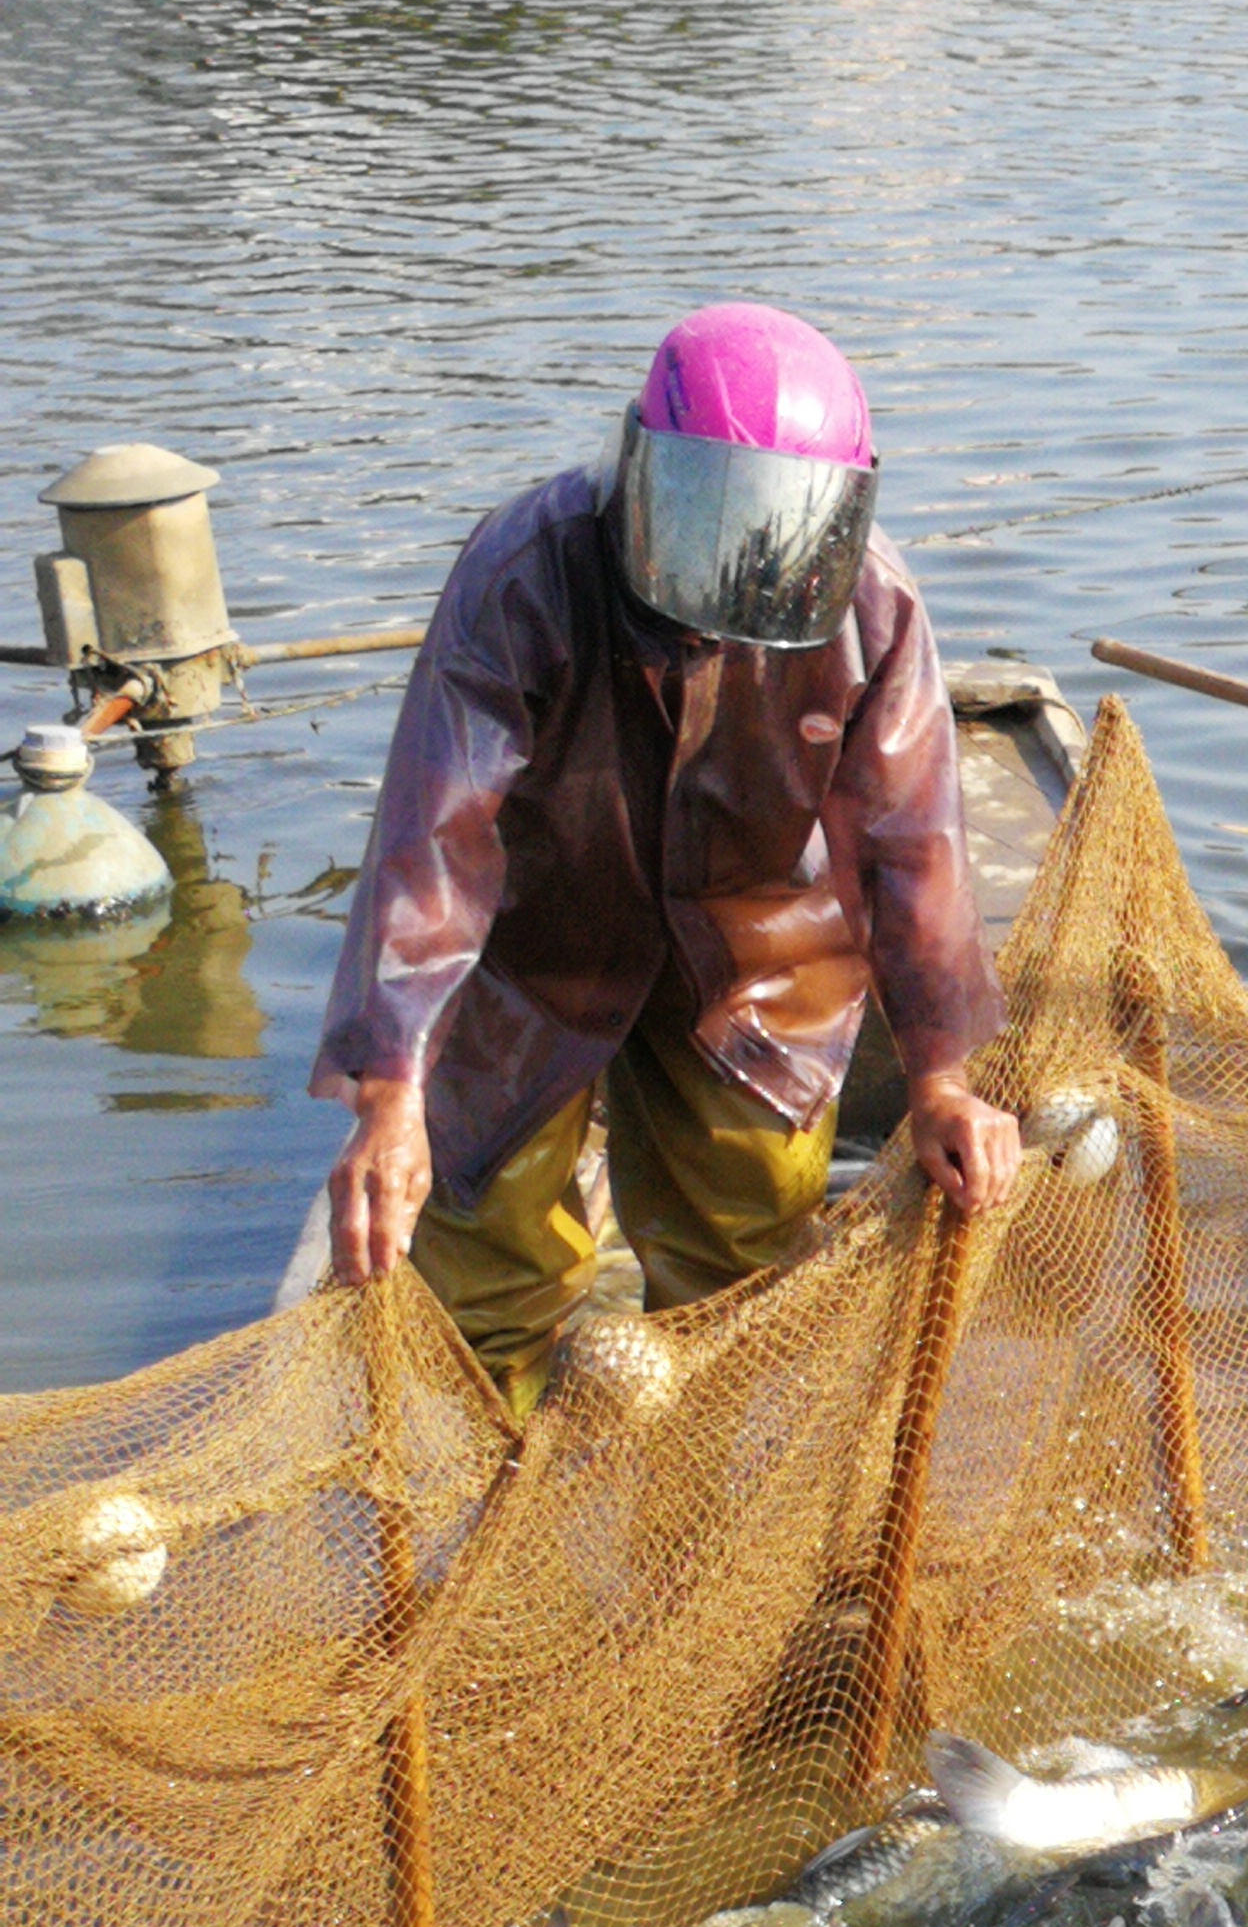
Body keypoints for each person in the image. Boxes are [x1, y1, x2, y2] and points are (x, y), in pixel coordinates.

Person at [310, 304, 1016, 1412]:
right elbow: (436, 836)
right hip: (536, 948)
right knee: (484, 1268)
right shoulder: (525, 572)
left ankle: (698, 1527)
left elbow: (909, 846)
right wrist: (389, 1085)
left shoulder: (869, 601)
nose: (737, 568)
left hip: (756, 951)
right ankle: (488, 1508)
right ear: (641, 471)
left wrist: (937, 1078)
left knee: (742, 1266)